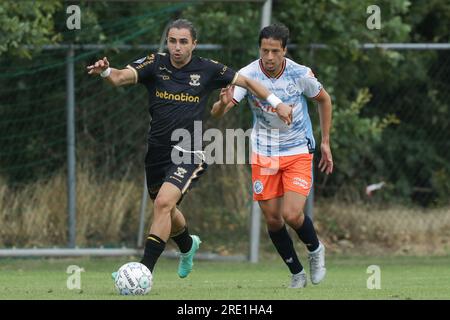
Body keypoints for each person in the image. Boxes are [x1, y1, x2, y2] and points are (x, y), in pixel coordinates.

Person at [86, 19, 293, 281]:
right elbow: (118, 77)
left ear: (194, 44)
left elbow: (248, 81)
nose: (177, 47)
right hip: (156, 153)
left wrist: (278, 104)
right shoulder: (154, 63)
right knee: (168, 210)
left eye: (183, 42)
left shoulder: (208, 69)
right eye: (172, 41)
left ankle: (141, 272)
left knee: (162, 203)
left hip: (189, 151)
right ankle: (187, 245)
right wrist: (106, 71)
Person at [211, 23, 333, 288]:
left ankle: (315, 249)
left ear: (284, 51)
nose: (268, 57)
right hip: (264, 153)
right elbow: (218, 113)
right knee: (273, 219)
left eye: (274, 51)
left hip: (297, 149)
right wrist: (222, 103)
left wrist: (325, 141)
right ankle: (296, 272)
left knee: (291, 214)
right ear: (259, 49)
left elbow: (324, 100)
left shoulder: (300, 73)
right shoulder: (247, 74)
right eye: (264, 50)